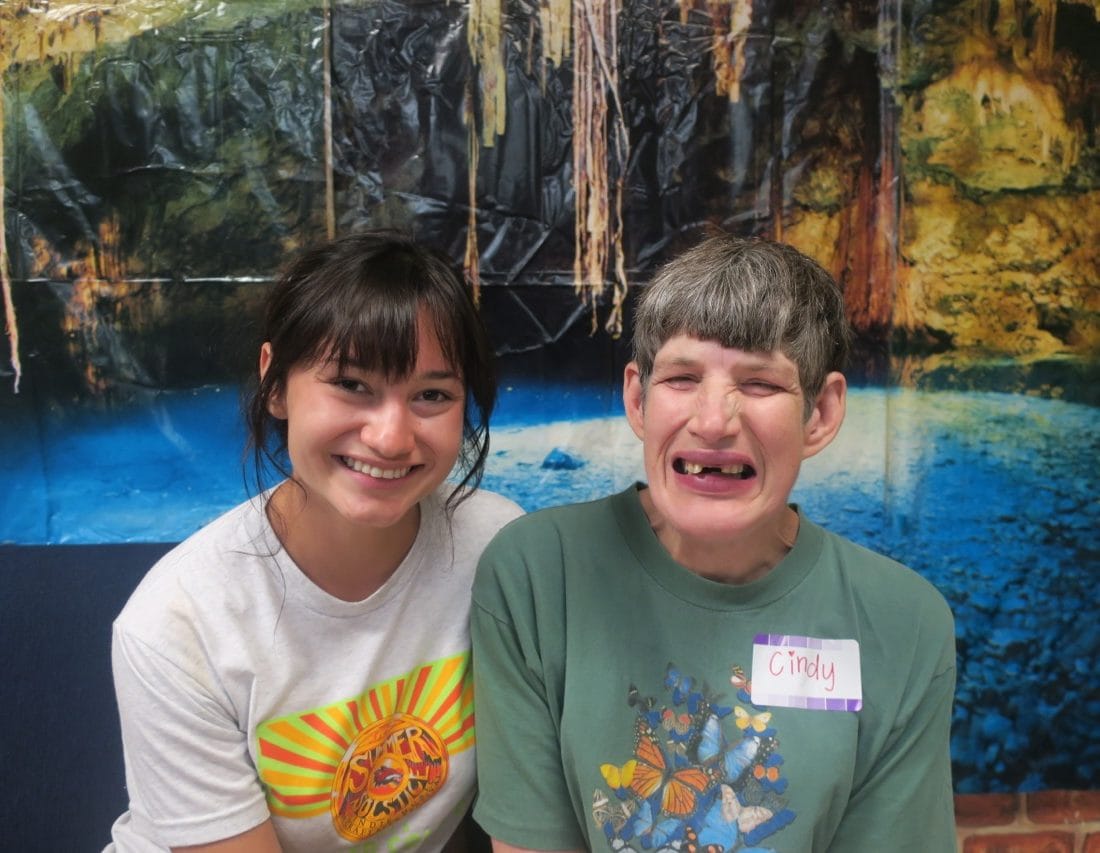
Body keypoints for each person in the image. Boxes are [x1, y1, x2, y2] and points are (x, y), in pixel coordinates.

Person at [470, 234, 956, 852]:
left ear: (821, 413)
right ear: (637, 399)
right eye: (681, 377)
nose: (712, 421)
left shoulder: (903, 622)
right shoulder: (538, 575)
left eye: (760, 383)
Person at [106, 231, 523, 852]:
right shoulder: (177, 625)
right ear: (275, 383)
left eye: (432, 395)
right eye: (351, 385)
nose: (390, 437)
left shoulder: (497, 548)